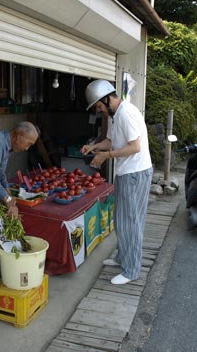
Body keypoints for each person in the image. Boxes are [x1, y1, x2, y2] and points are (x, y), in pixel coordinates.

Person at [81, 79, 153, 285]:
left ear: (106, 98)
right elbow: (110, 141)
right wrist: (94, 147)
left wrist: (106, 156)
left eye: (99, 105)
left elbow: (134, 147)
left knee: (131, 222)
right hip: (126, 173)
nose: (99, 109)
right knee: (121, 219)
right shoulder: (115, 115)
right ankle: (123, 257)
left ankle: (132, 270)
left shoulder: (126, 113)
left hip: (135, 174)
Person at [0, 121, 39, 276]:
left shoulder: (7, 146)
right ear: (18, 135)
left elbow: (0, 173)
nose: (26, 148)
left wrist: (8, 193)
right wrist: (7, 200)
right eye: (28, 144)